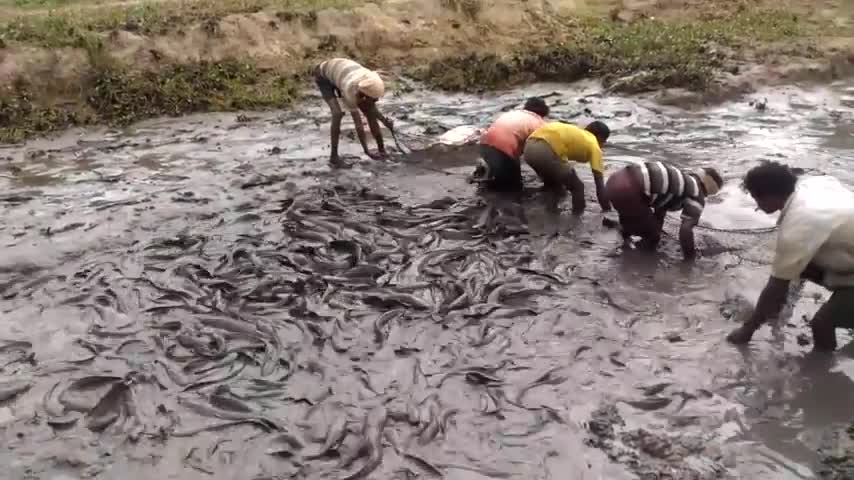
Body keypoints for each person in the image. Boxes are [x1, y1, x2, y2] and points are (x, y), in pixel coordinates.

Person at [726, 162, 854, 352]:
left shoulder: (798, 225)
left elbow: (776, 286)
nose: (757, 206)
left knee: (821, 323)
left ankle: (822, 372)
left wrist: (748, 329)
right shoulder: (812, 185)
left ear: (768, 196)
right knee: (803, 266)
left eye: (755, 198)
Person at [604, 161, 723, 260]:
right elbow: (686, 229)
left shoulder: (681, 179)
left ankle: (625, 240)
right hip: (629, 190)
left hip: (613, 182)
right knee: (652, 236)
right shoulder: (697, 193)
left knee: (635, 218)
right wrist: (690, 257)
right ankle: (636, 259)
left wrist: (656, 230)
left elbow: (660, 211)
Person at [314, 58, 394, 167]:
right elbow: (359, 125)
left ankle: (381, 149)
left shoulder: (370, 80)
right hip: (323, 75)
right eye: (374, 99)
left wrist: (385, 122)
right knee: (337, 113)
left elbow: (373, 111)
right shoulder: (350, 92)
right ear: (364, 96)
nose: (377, 101)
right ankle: (334, 158)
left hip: (342, 73)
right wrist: (367, 151)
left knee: (369, 110)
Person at [521, 121, 612, 213]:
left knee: (555, 185)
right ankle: (577, 218)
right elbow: (599, 185)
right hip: (546, 150)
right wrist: (607, 210)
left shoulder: (577, 132)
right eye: (604, 141)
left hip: (528, 148)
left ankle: (551, 212)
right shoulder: (594, 144)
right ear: (600, 138)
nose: (603, 145)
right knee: (578, 187)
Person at [473, 97, 550, 191]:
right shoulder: (539, 123)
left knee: (496, 179)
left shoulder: (514, 113)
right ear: (544, 112)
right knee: (514, 187)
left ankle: (486, 174)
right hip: (504, 149)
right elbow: (544, 153)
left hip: (484, 144)